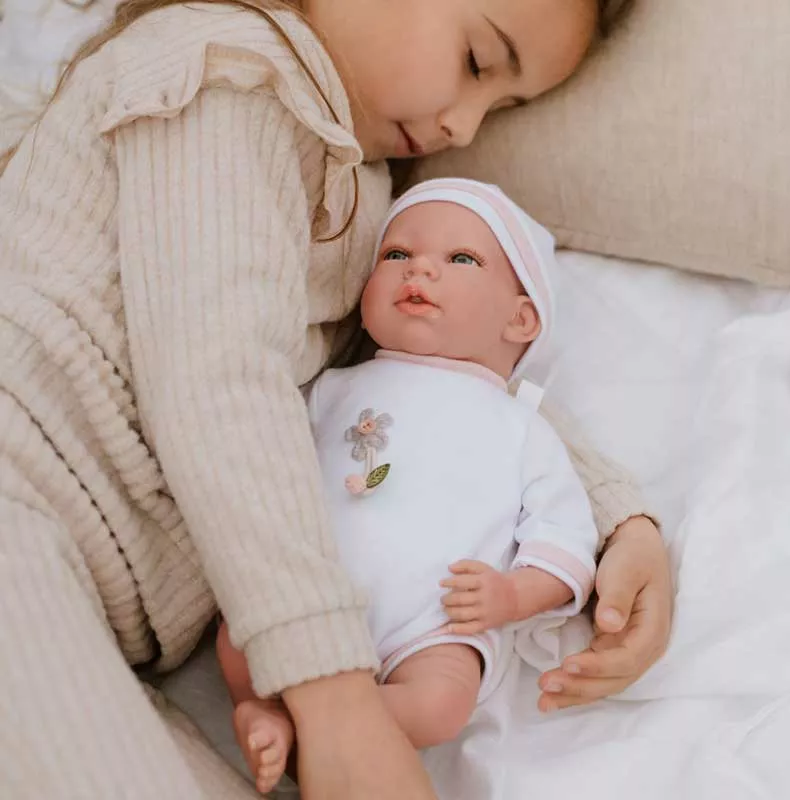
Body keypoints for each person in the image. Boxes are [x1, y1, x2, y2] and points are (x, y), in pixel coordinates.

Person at [0, 1, 671, 798]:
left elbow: (430, 380)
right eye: (477, 62)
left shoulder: (364, 196)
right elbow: (218, 379)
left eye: (502, 109)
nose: (465, 126)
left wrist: (615, 520)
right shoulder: (226, 72)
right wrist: (336, 692)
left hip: (92, 601)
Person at [218, 178, 607, 793]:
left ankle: (301, 724)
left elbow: (565, 542)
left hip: (432, 617)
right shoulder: (332, 387)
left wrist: (510, 596)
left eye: (461, 259)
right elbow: (265, 453)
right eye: (396, 255)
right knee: (238, 637)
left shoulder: (522, 427)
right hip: (310, 590)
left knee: (441, 704)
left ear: (520, 316)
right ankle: (265, 705)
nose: (419, 268)